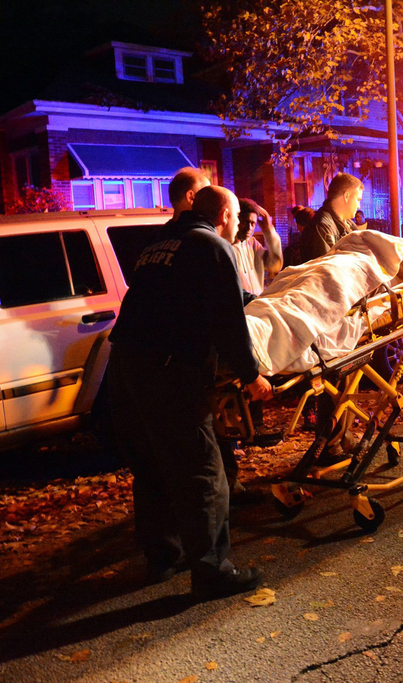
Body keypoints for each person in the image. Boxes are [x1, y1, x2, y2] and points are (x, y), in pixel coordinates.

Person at [108, 184, 273, 598]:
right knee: (204, 471)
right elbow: (229, 324)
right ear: (223, 216)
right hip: (171, 372)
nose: (238, 225)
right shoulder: (213, 247)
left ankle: (164, 556)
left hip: (127, 367)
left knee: (152, 464)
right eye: (237, 218)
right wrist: (252, 376)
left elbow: (172, 295)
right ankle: (213, 571)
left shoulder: (157, 242)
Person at [300, 173, 365, 262]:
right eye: (358, 199)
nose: (359, 206)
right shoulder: (321, 227)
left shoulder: (348, 224)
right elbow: (327, 270)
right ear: (346, 196)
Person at [233, 198, 283, 296]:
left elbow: (274, 265)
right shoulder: (227, 246)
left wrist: (268, 230)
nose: (249, 228)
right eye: (244, 222)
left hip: (255, 305)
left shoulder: (252, 244)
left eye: (253, 223)